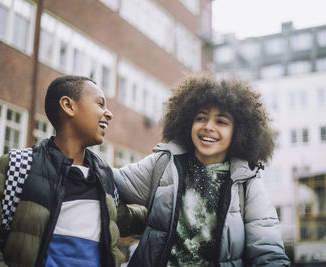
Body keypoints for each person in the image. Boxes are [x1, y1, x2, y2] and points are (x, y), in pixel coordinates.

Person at [114, 75, 290, 266]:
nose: (208, 127)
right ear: (188, 122)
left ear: (238, 131)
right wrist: (133, 220)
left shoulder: (247, 182)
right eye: (201, 118)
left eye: (221, 122)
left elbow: (267, 251)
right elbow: (109, 181)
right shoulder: (164, 163)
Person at [0, 75, 146, 267]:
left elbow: (127, 220)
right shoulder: (16, 166)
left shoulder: (104, 178)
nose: (109, 114)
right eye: (100, 104)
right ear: (68, 106)